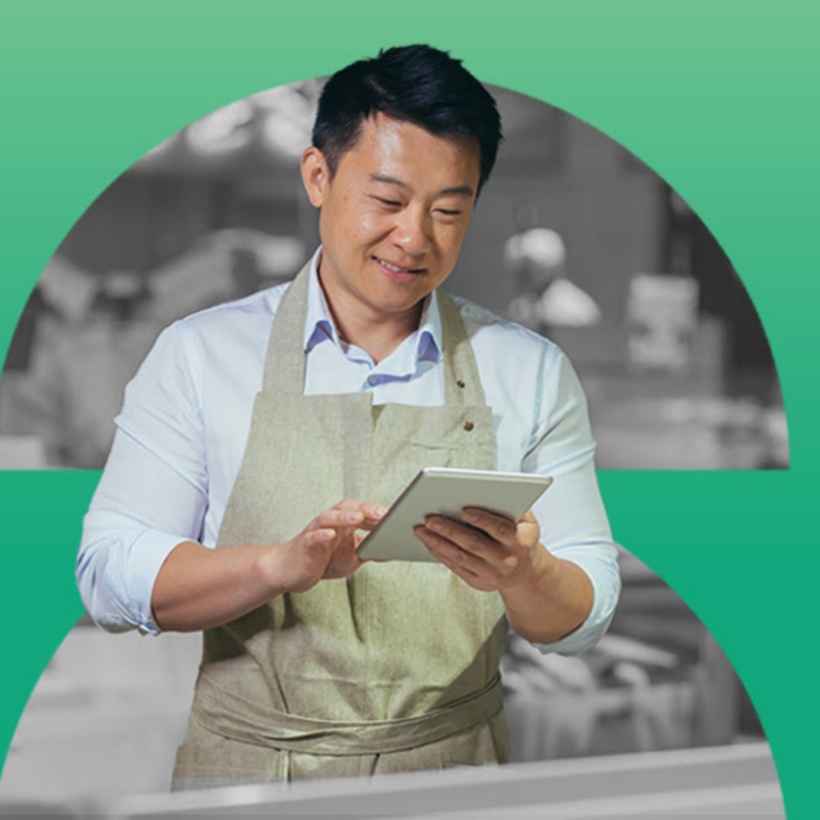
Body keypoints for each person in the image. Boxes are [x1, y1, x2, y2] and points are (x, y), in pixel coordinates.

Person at [77, 45, 621, 787]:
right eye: (389, 202)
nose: (415, 238)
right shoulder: (200, 355)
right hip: (247, 781)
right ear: (317, 177)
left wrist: (527, 572)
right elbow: (109, 573)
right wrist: (276, 566)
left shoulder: (527, 370)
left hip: (454, 781)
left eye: (449, 211)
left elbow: (584, 609)